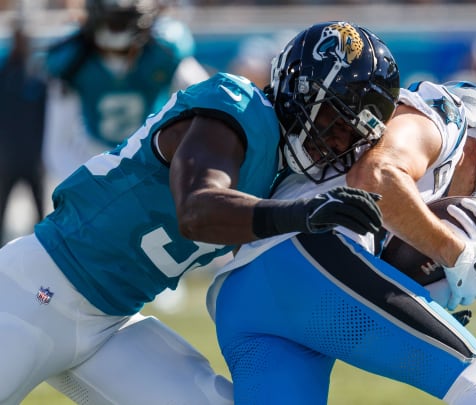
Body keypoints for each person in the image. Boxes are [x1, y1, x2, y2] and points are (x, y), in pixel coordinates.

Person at [0, 21, 390, 405]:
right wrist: (302, 212)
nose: (339, 141)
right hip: (37, 289)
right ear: (301, 93)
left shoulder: (280, 173)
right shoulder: (237, 107)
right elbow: (197, 210)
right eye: (335, 121)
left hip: (111, 324)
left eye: (353, 134)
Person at [208, 27, 476, 403]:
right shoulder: (444, 119)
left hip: (245, 293)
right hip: (305, 263)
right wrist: (455, 252)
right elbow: (376, 178)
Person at [42, 0, 210, 182]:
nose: (116, 28)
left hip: (154, 161)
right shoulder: (73, 63)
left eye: (121, 21)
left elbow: (208, 105)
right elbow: (58, 146)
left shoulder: (164, 53)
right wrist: (87, 185)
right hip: (95, 159)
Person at [0, 21, 47, 245]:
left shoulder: (37, 77)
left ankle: (40, 247)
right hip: (7, 157)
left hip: (32, 157)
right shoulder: (5, 72)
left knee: (39, 210)